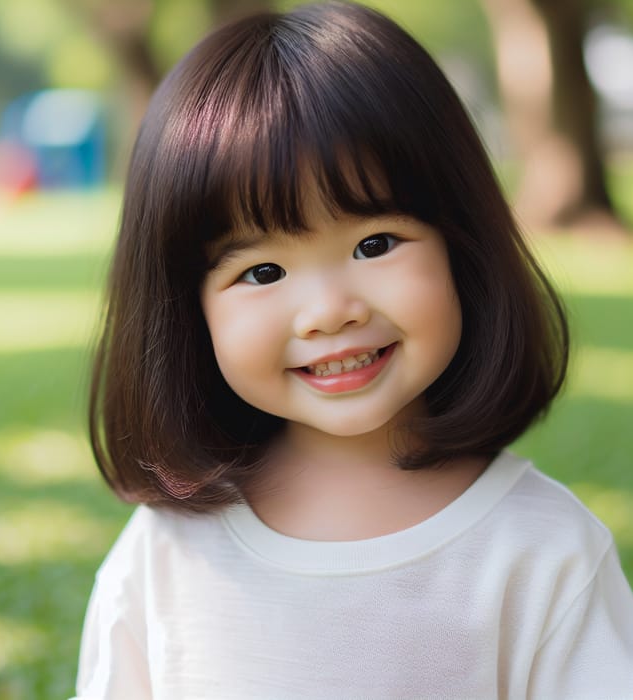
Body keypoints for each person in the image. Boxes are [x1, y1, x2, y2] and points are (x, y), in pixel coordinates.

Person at [72, 2, 633, 698]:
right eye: (261, 272)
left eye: (375, 244)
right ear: (187, 310)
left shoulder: (542, 552)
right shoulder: (165, 554)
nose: (331, 311)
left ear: (464, 244)